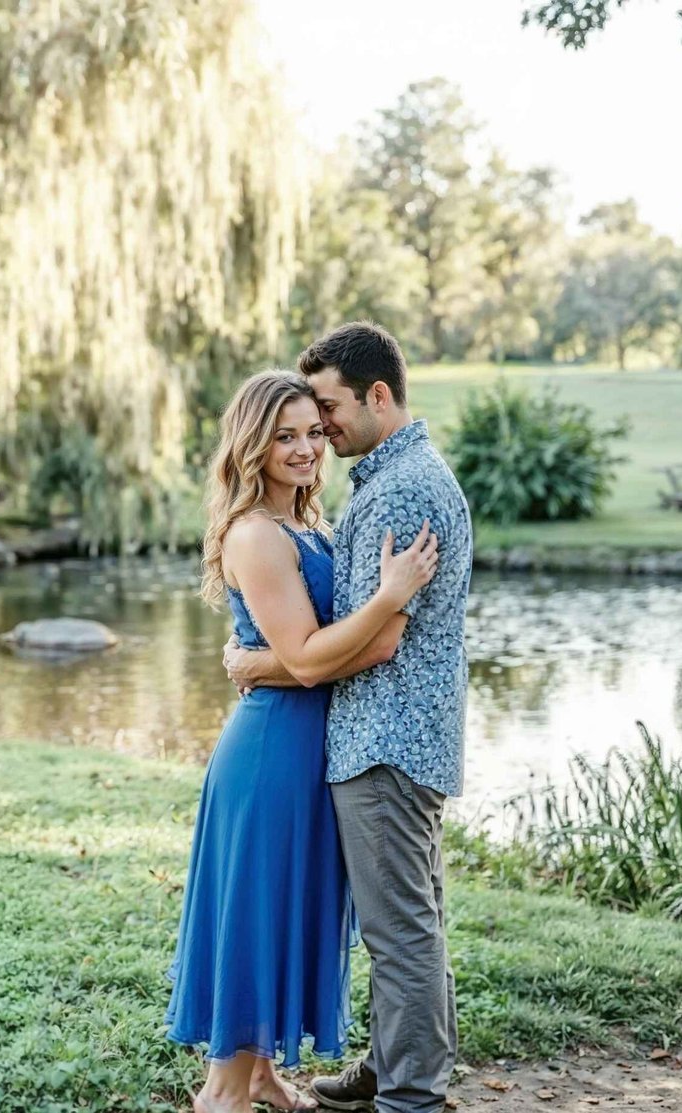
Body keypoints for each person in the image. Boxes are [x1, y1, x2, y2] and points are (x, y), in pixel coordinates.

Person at [165, 369, 440, 1113]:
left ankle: (261, 1077)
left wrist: (255, 660)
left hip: (310, 750)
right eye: (284, 436)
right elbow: (314, 653)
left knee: (282, 916)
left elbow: (298, 651)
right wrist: (389, 596)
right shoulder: (255, 533)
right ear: (252, 445)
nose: (305, 448)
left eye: (313, 432)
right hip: (271, 759)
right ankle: (227, 1091)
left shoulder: (310, 525)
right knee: (257, 919)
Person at [225, 323, 473, 1113]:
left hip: (385, 737)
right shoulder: (391, 478)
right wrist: (273, 658)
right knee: (411, 919)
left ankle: (410, 1095)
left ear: (375, 395)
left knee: (400, 929)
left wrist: (260, 662)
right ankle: (393, 1064)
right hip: (396, 734)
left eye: (326, 411)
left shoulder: (398, 489)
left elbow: (378, 639)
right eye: (298, 426)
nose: (321, 432)